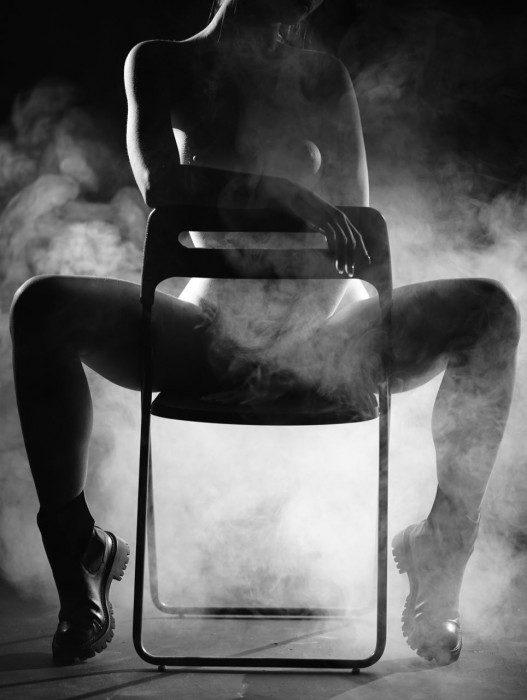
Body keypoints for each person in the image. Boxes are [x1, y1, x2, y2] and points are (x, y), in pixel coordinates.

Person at [10, 0, 519, 665]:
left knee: (487, 309)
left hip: (327, 340)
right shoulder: (159, 62)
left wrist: (301, 258)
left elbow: (355, 224)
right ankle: (79, 547)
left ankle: (441, 545)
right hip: (202, 335)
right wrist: (284, 193)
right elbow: (162, 185)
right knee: (41, 305)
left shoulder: (321, 76)